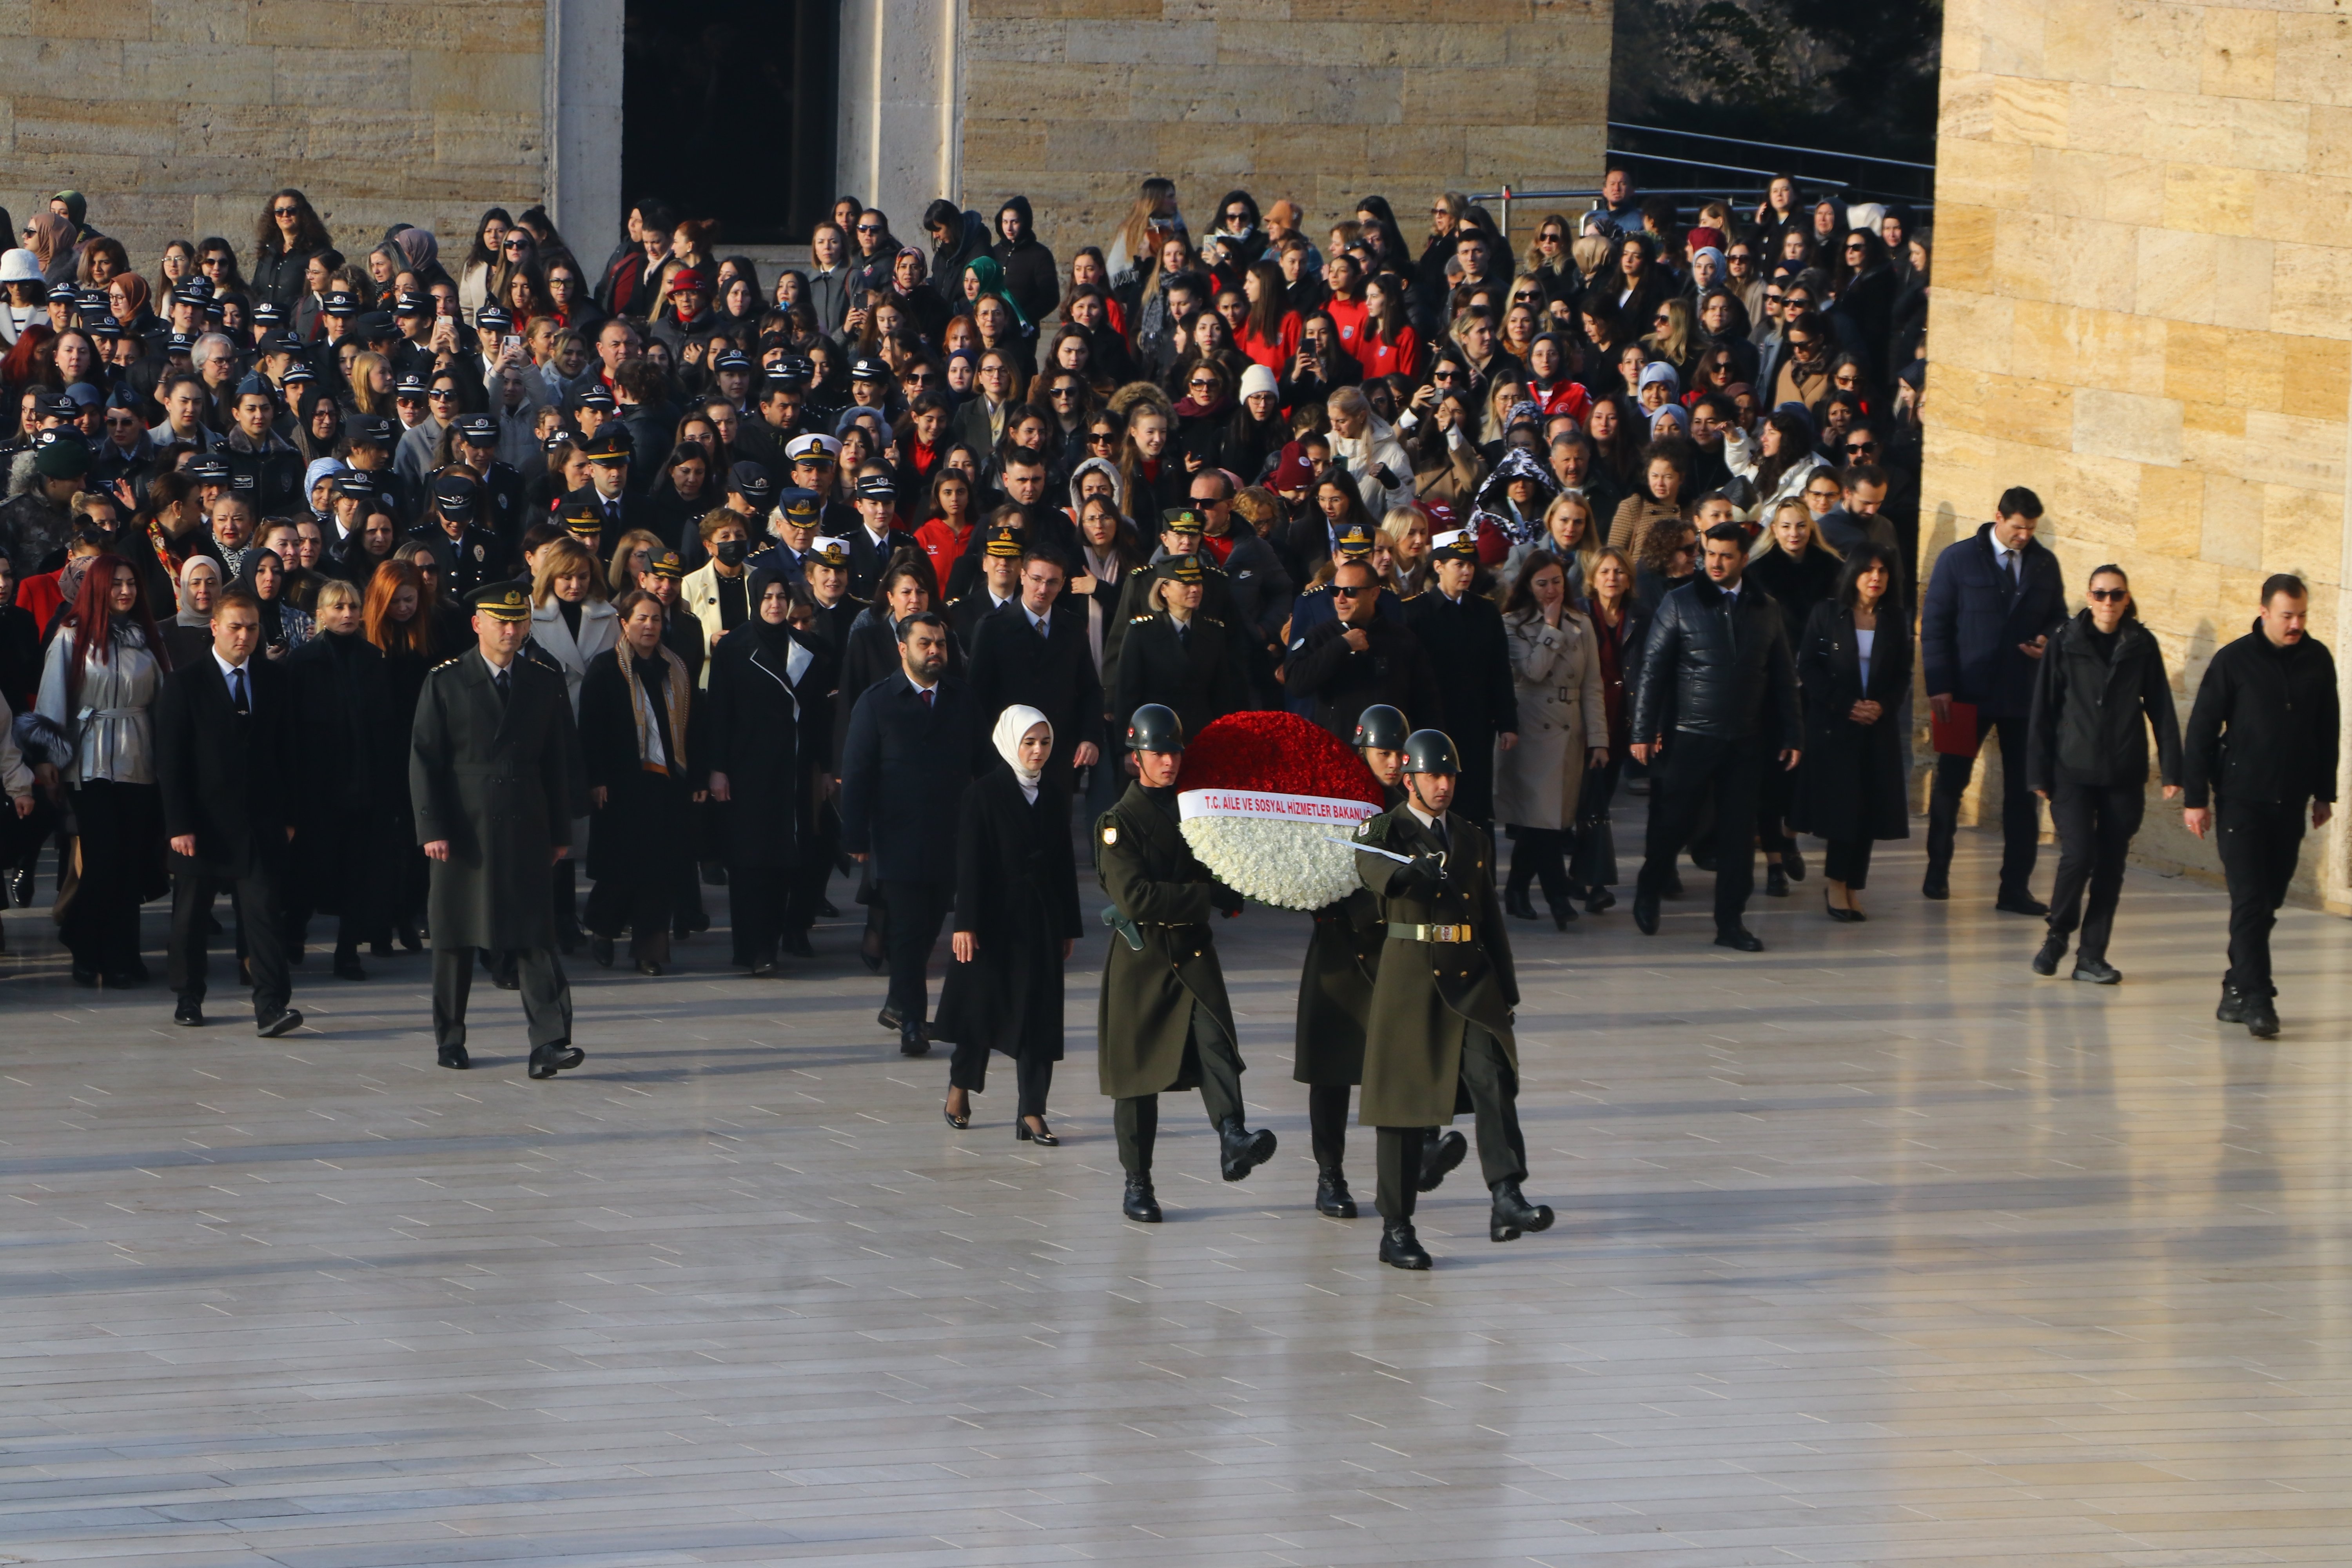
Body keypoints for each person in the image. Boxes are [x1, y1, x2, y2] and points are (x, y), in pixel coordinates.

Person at [1350, 729, 1552, 1271]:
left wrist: (1506, 990)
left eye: (1449, 777)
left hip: (1469, 978)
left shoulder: (1470, 837)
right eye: (1433, 776)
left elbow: (1489, 918)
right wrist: (1405, 872)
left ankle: (1507, 1195)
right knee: (1403, 1108)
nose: (1443, 786)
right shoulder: (1384, 830)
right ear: (1409, 780)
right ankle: (1397, 1228)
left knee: (1493, 1077)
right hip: (1412, 979)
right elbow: (1371, 868)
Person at [1095, 702, 1277, 1223]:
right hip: (1143, 960)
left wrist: (1234, 885)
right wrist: (1205, 897)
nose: (1169, 762)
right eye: (1158, 753)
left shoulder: (1195, 810)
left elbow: (1215, 862)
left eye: (1175, 752)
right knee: (1137, 1079)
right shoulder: (1118, 823)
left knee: (1217, 1044)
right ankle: (1138, 1182)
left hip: (1192, 954)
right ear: (1136, 758)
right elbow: (1136, 898)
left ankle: (1233, 1135)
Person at [1293, 704, 1470, 1222]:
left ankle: (1423, 1149)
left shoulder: (1409, 812)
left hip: (1395, 953)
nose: (1393, 763)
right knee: (1331, 1070)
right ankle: (1330, 1175)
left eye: (1399, 753)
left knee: (1407, 1058)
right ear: (1361, 751)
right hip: (1338, 951)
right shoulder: (1334, 803)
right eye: (1383, 753)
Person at [408, 582, 586, 1077]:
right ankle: (450, 1037)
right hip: (465, 825)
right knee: (455, 935)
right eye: (501, 622)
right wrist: (432, 826)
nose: (511, 631)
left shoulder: (542, 679)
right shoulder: (446, 680)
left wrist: (560, 830)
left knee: (535, 934)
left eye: (518, 621)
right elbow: (425, 759)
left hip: (525, 820)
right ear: (477, 624)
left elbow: (555, 759)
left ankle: (550, 1042)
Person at [1628, 521, 1802, 951]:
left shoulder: (1766, 608)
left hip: (1746, 739)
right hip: (1692, 736)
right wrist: (1643, 730)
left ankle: (1731, 922)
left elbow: (1783, 677)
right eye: (1710, 554)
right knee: (1675, 822)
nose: (1716, 563)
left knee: (1738, 836)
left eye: (1726, 556)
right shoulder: (1680, 602)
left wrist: (1793, 732)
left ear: (1744, 559)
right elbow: (1653, 670)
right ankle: (1650, 887)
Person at [2181, 574, 2337, 1038]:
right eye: (2287, 616)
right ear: (2264, 612)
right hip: (2241, 799)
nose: (2296, 625)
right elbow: (2202, 730)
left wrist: (2324, 792)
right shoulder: (2234, 660)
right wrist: (2196, 800)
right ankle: (2258, 997)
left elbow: (2328, 728)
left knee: (2269, 901)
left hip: (2290, 801)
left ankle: (2235, 984)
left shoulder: (2317, 659)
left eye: (2302, 616)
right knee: (2249, 899)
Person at [838, 610, 990, 1054]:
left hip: (949, 837)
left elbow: (985, 765)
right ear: (903, 649)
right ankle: (913, 1024)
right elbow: (857, 772)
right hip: (898, 838)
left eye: (940, 644)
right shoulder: (877, 702)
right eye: (925, 644)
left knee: (928, 929)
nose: (935, 651)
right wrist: (855, 837)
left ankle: (897, 1003)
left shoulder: (962, 699)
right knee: (906, 932)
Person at [154, 584, 303, 1033]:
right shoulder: (185, 683)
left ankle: (271, 1005)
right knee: (191, 916)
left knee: (264, 914)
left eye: (252, 628)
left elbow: (289, 751)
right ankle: (188, 996)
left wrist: (290, 816)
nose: (245, 637)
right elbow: (171, 761)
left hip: (259, 820)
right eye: (236, 627)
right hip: (202, 822)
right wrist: (179, 824)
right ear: (215, 627)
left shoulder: (275, 679)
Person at [2024, 564, 2182, 983]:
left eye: (2116, 594)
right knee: (2078, 856)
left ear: (2127, 599)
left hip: (2123, 772)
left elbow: (2161, 708)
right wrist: (2038, 772)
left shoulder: (2141, 644)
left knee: (2111, 866)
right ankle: (2058, 934)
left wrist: (2172, 769)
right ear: (2089, 597)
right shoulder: (2065, 641)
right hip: (2072, 769)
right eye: (2100, 594)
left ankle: (2092, 957)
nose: (2108, 602)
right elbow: (2044, 708)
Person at [935, 706, 1083, 1142]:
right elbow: (970, 862)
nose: (1038, 751)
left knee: (1039, 1015)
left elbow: (1064, 865)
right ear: (1010, 743)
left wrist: (1068, 926)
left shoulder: (1054, 794)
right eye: (1029, 742)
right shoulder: (982, 794)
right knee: (980, 1010)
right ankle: (960, 1087)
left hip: (1040, 918)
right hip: (992, 920)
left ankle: (1032, 1111)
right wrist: (965, 923)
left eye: (1045, 742)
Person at [1920, 486, 2066, 910]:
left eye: (2031, 529)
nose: (2025, 536)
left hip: (2023, 695)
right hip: (1964, 693)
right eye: (2019, 527)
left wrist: (2049, 639)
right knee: (1950, 784)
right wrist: (1939, 684)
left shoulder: (2044, 563)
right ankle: (1937, 871)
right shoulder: (1957, 559)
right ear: (1999, 517)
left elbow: (2059, 617)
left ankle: (2015, 888)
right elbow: (1935, 625)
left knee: (2024, 792)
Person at [36, 553, 167, 987]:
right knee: (105, 858)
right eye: (116, 584)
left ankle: (122, 954)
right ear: (98, 588)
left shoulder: (146, 637)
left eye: (131, 583)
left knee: (131, 861)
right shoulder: (71, 636)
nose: (125, 591)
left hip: (140, 760)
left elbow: (164, 698)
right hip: (88, 762)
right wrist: (48, 758)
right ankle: (85, 940)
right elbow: (53, 697)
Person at [579, 588, 703, 976]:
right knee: (623, 867)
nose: (649, 626)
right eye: (642, 619)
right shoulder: (606, 669)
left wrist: (697, 776)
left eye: (656, 619)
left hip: (667, 784)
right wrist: (596, 779)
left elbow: (694, 727)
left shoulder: (675, 667)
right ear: (624, 623)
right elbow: (592, 730)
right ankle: (603, 928)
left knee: (661, 869)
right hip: (621, 786)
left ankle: (650, 949)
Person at [706, 567, 822, 976]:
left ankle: (771, 942)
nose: (775, 604)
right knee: (750, 860)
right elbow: (719, 712)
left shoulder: (807, 647)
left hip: (791, 769)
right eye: (768, 597)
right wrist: (717, 769)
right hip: (748, 768)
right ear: (756, 599)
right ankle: (751, 948)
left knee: (783, 859)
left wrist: (823, 768)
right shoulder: (734, 647)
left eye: (781, 597)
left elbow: (820, 714)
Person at [284, 577, 401, 980]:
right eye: (338, 607)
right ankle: (295, 931)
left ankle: (348, 950)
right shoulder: (303, 662)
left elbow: (386, 725)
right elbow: (293, 730)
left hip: (365, 783)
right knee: (310, 868)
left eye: (352, 607)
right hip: (318, 786)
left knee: (359, 871)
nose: (347, 614)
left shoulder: (374, 659)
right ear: (321, 614)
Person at [1794, 544, 1912, 923]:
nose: (1875, 578)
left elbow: (1902, 674)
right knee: (1843, 809)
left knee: (1870, 810)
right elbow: (1808, 668)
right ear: (1854, 574)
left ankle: (1854, 886)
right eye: (1868, 570)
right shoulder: (1828, 613)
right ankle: (1836, 883)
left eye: (1883, 571)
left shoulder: (1895, 619)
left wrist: (1883, 706)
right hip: (1835, 726)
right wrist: (1846, 704)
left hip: (1876, 728)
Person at [1492, 550, 1609, 931]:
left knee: (1543, 821)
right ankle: (1558, 896)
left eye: (1557, 581)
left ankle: (1517, 888)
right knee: (1542, 819)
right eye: (1542, 583)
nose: (1551, 590)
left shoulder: (1582, 623)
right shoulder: (1511, 624)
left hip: (1570, 730)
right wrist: (1550, 627)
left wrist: (1599, 739)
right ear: (1528, 586)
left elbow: (1592, 686)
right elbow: (1533, 671)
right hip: (1531, 729)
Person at [962, 547, 1104, 792]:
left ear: (1062, 585)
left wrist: (1090, 737)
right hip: (1007, 758)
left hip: (1058, 757)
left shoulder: (1072, 627)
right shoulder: (993, 628)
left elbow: (1090, 689)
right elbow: (977, 696)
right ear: (1023, 576)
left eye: (1052, 582)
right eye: (1037, 579)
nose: (1043, 589)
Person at [1403, 530, 1517, 827]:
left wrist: (1507, 722)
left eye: (1470, 565)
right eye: (1459, 564)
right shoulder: (1415, 613)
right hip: (1433, 722)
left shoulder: (1485, 612)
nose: (1467, 571)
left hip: (1476, 723)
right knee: (1434, 797)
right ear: (1438, 567)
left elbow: (1499, 671)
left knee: (1475, 803)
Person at [1281, 556, 1444, 743]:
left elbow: (1426, 703)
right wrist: (1342, 645)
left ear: (1374, 594)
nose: (1340, 599)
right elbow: (1296, 683)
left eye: (1350, 592)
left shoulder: (1402, 640)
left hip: (1390, 750)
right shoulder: (1320, 637)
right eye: (1335, 591)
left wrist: (1430, 745)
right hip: (1339, 749)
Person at [1573, 546, 1644, 912]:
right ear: (1592, 578)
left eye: (1619, 572)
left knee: (1596, 800)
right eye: (1604, 572)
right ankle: (1596, 883)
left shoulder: (1641, 618)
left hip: (1622, 723)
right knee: (1594, 801)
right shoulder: (1579, 615)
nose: (1612, 578)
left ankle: (1578, 877)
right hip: (1585, 723)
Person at [1112, 553, 1250, 741]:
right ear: (1164, 590)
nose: (1195, 590)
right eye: (1185, 584)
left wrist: (1224, 738)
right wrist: (1127, 747)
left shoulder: (1213, 631)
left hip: (1201, 735)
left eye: (1198, 583)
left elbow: (1221, 693)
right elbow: (1127, 694)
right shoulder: (1142, 632)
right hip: (1156, 736)